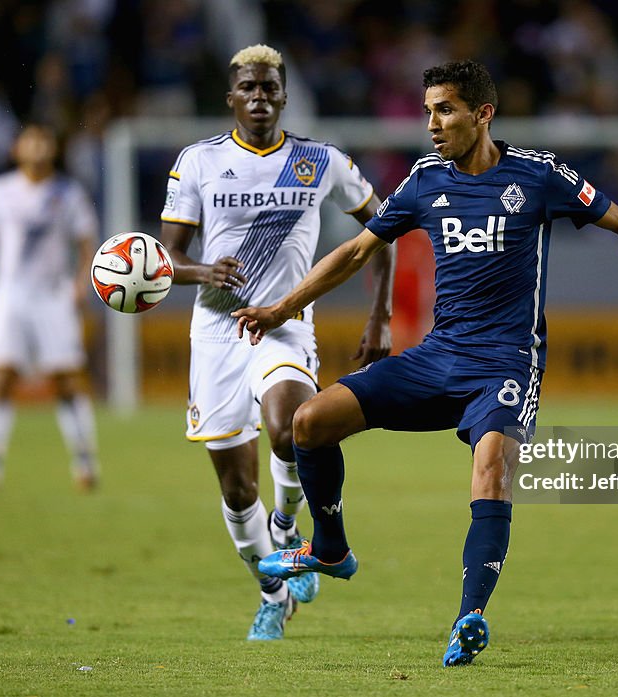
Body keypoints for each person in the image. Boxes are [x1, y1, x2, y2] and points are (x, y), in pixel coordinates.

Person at [234, 60, 618, 666]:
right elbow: (357, 250)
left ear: (482, 114)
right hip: (438, 356)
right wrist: (281, 308)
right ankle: (330, 549)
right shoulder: (425, 181)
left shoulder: (538, 177)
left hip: (507, 363)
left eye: (445, 110)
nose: (431, 123)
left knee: (491, 470)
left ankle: (470, 616)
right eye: (428, 109)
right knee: (310, 422)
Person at [158, 45, 395, 642]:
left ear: (284, 96)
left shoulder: (320, 161)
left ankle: (289, 526)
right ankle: (272, 594)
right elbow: (169, 257)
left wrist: (380, 316)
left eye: (270, 88)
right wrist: (201, 272)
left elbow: (382, 232)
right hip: (215, 332)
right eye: (248, 88)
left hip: (283, 325)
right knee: (238, 491)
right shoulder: (199, 162)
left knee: (290, 429)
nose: (259, 97)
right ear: (231, 97)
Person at [0, 124, 100, 494]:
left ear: (54, 148)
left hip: (54, 296)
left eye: (45, 139)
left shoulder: (68, 192)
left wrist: (81, 284)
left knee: (67, 378)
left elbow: (88, 244)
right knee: (1, 376)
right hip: (11, 296)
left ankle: (85, 461)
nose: (38, 146)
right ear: (16, 148)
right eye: (32, 140)